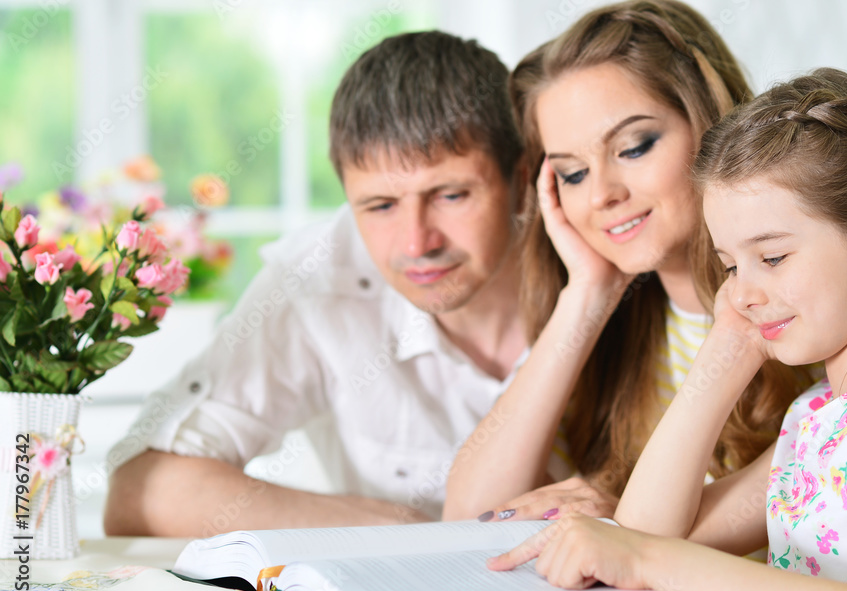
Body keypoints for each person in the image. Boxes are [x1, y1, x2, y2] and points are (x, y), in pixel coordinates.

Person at [490, 68, 847, 591]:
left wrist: (646, 559)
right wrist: (727, 352)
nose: (742, 292)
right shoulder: (818, 417)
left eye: (774, 256)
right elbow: (642, 532)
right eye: (732, 266)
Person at [102, 30, 556, 536]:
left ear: (521, 180)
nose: (416, 243)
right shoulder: (319, 278)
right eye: (380, 206)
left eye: (450, 195)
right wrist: (416, 531)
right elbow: (143, 493)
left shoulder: (598, 260)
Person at [444, 0, 812, 522]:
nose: (601, 195)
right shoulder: (615, 330)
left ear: (711, 126)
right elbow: (468, 518)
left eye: (634, 147)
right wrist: (588, 293)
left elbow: (793, 541)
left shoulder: (806, 303)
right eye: (573, 174)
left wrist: (616, 521)